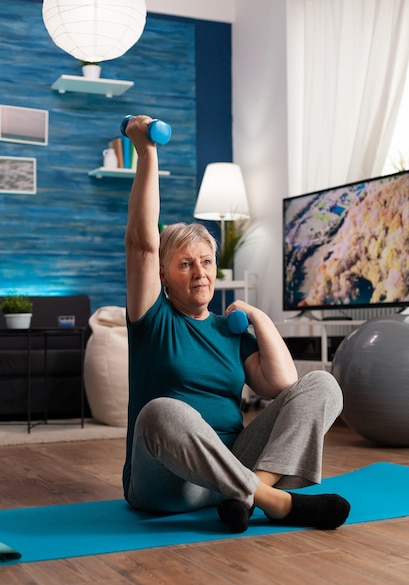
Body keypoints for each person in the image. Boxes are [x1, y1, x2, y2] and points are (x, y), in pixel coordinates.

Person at [122, 115, 350, 533]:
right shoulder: (153, 319)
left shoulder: (230, 332)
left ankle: (248, 495)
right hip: (167, 484)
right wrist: (146, 152)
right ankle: (273, 500)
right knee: (160, 412)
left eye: (206, 262)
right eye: (185, 264)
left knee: (323, 384)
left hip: (229, 472)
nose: (200, 272)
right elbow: (141, 244)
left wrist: (259, 318)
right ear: (163, 276)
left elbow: (282, 386)